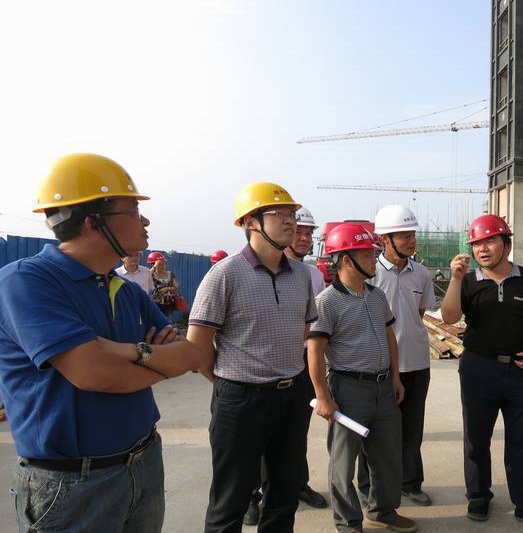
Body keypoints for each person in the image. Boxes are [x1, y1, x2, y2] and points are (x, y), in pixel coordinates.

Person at [0, 153, 206, 532]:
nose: (145, 221)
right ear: (94, 222)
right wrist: (160, 362)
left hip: (144, 461)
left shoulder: (126, 290)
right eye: (133, 210)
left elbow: (192, 355)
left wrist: (131, 352)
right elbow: (94, 374)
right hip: (71, 484)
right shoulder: (26, 281)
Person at [187, 182, 317, 533]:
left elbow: (303, 331)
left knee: (284, 493)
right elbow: (197, 346)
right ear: (250, 222)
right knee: (231, 499)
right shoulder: (224, 274)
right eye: (280, 214)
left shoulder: (303, 275)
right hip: (240, 400)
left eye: (292, 214)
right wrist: (230, 381)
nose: (291, 221)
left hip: (292, 395)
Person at [440, 214, 523, 533]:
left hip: (522, 369)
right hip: (478, 368)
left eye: (490, 241)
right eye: (477, 244)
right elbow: (449, 317)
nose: (482, 249)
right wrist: (455, 279)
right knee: (476, 437)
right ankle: (478, 496)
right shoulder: (467, 281)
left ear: (506, 244)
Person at [308, 223, 418, 533]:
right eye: (367, 255)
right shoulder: (327, 301)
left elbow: (389, 336)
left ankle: (383, 512)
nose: (374, 260)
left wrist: (395, 377)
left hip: (383, 388)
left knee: (388, 457)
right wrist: (323, 396)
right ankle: (348, 523)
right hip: (348, 390)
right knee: (343, 463)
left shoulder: (376, 295)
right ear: (346, 260)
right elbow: (315, 351)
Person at [243, 206, 328, 526]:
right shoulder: (255, 270)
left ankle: (296, 483)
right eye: (299, 231)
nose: (304, 237)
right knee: (258, 435)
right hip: (266, 363)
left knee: (295, 431)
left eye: (308, 233)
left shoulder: (314, 275)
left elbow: (317, 325)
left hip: (302, 361)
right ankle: (252, 495)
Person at [356, 205, 436, 507]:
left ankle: (410, 483)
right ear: (385, 239)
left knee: (412, 428)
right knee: (374, 430)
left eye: (412, 234)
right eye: (403, 235)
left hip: (416, 363)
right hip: (380, 366)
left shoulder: (422, 274)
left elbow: (419, 313)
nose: (411, 240)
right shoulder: (370, 274)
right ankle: (368, 486)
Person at [149, 252, 179, 318]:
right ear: (154, 265)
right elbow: (147, 275)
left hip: (168, 303)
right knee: (155, 320)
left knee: (167, 321)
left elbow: (175, 287)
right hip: (155, 303)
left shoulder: (170, 274)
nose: (162, 266)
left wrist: (166, 288)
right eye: (159, 264)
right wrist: (153, 267)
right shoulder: (151, 275)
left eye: (164, 264)